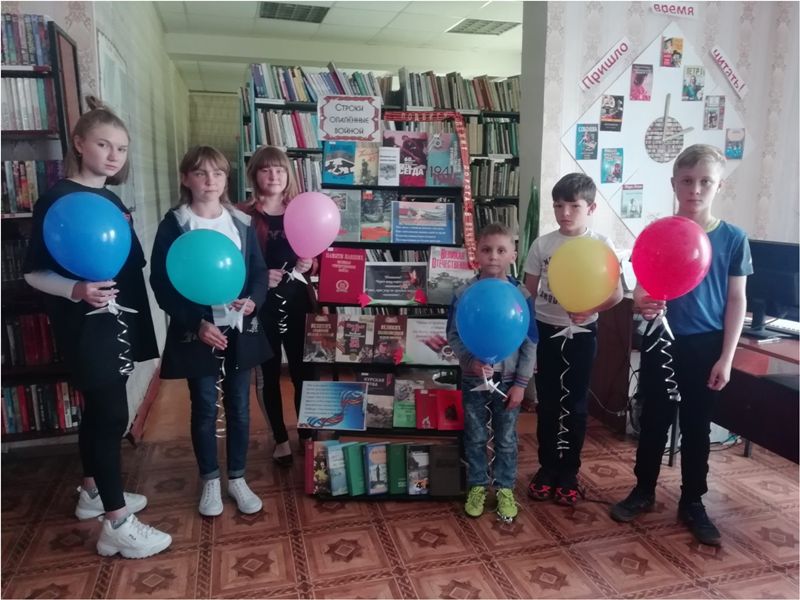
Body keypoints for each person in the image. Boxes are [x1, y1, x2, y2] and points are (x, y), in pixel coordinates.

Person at [23, 96, 171, 558]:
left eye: (121, 148)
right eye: (104, 144)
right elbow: (33, 273)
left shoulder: (110, 198)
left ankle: (92, 492)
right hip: (88, 326)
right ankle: (117, 523)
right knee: (111, 416)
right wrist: (76, 290)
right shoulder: (57, 200)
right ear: (79, 143)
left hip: (119, 319)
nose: (113, 155)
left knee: (100, 412)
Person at [610, 145, 752, 546]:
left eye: (705, 181)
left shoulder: (733, 239)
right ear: (674, 184)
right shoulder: (660, 232)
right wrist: (641, 301)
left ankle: (693, 501)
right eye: (687, 181)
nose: (695, 189)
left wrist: (726, 357)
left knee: (696, 425)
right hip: (661, 338)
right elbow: (641, 288)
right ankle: (643, 490)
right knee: (653, 418)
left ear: (719, 185)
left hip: (705, 345)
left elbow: (737, 300)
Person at [150, 145, 271, 517]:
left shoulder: (242, 222)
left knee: (239, 406)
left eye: (218, 173)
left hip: (239, 327)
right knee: (204, 406)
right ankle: (210, 480)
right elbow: (162, 283)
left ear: (226, 179)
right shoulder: (175, 224)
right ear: (186, 179)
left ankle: (237, 477)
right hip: (198, 328)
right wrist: (196, 322)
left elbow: (259, 271)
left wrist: (253, 301)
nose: (210, 181)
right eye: (201, 173)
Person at [524, 173, 623, 506]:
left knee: (576, 403)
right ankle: (547, 468)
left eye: (573, 206)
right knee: (549, 402)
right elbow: (529, 293)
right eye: (558, 205)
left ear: (591, 208)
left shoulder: (601, 245)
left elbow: (616, 294)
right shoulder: (542, 245)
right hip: (546, 330)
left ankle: (569, 471)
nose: (564, 213)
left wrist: (591, 308)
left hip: (583, 334)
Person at [447, 223, 538, 523]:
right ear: (476, 254)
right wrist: (469, 361)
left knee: (506, 438)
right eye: (486, 250)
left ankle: (504, 488)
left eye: (501, 250)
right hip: (473, 378)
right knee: (475, 436)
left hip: (509, 381)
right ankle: (477, 485)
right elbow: (453, 335)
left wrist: (521, 385)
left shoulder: (521, 295)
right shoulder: (463, 293)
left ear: (513, 254)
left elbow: (530, 341)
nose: (493, 256)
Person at [240, 146, 317, 466]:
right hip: (261, 305)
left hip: (298, 302)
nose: (274, 175)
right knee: (268, 374)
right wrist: (258, 277)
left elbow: (315, 251)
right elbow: (233, 263)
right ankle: (280, 438)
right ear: (254, 174)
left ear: (288, 175)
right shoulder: (241, 214)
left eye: (280, 169)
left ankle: (307, 433)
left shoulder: (301, 210)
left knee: (304, 371)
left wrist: (310, 263)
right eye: (266, 169)